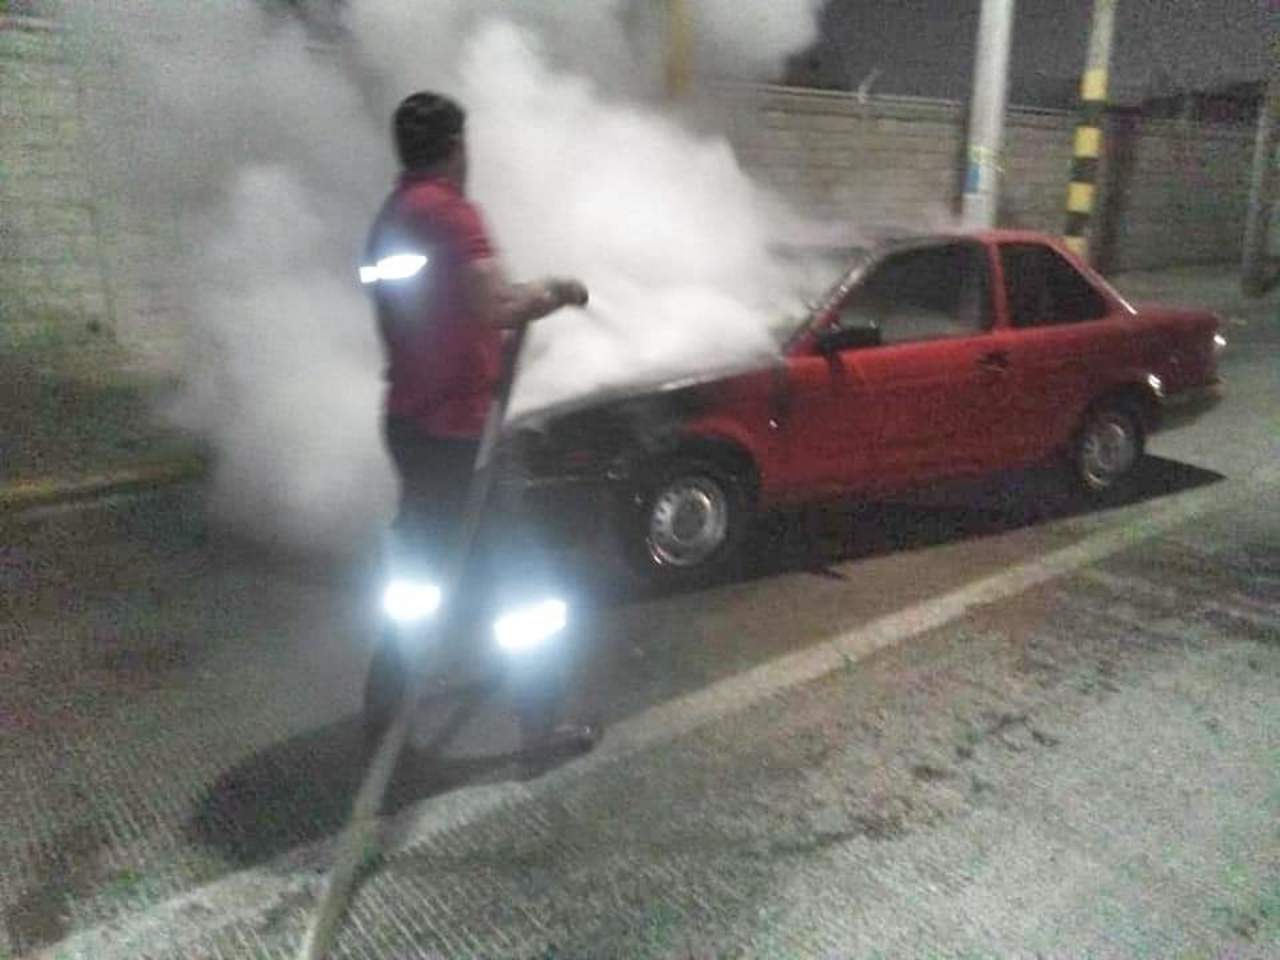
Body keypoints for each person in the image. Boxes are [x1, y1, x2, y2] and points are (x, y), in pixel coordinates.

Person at [362, 91, 593, 769]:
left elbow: (434, 311)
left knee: (419, 582)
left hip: (410, 420)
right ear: (456, 147)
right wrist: (555, 292)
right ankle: (541, 731)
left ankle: (385, 721)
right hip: (462, 434)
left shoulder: (391, 218)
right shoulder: (450, 214)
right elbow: (495, 304)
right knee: (526, 586)